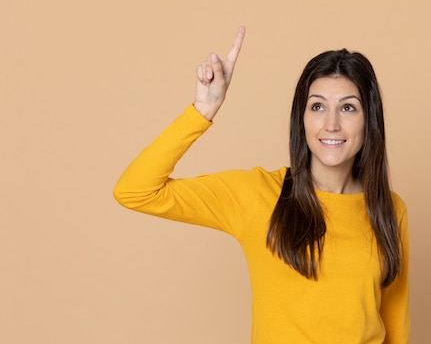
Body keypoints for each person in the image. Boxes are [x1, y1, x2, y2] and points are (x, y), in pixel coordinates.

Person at [113, 26, 410, 344]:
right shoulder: (258, 195)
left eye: (348, 107)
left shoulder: (389, 208)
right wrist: (202, 111)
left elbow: (394, 323)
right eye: (318, 106)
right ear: (302, 118)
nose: (331, 124)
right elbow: (135, 190)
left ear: (369, 119)